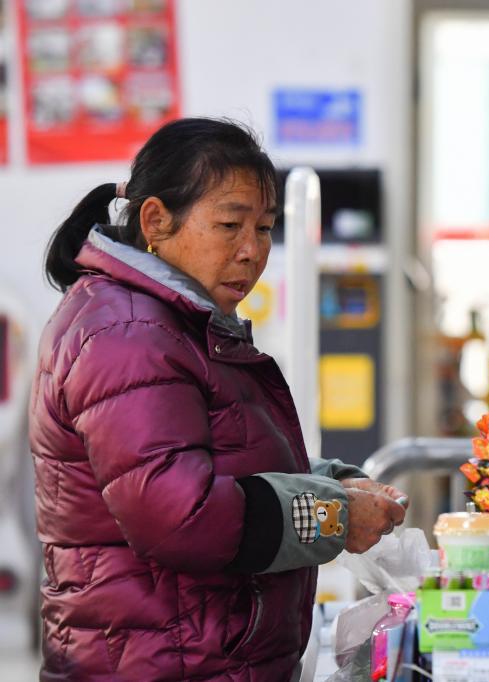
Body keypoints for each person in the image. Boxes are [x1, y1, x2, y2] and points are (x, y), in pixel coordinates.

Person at [30, 118, 408, 680]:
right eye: (230, 225)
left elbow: (215, 461)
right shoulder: (128, 334)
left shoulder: (172, 322)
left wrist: (328, 481)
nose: (252, 251)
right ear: (156, 221)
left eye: (265, 228)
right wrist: (334, 514)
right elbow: (182, 515)